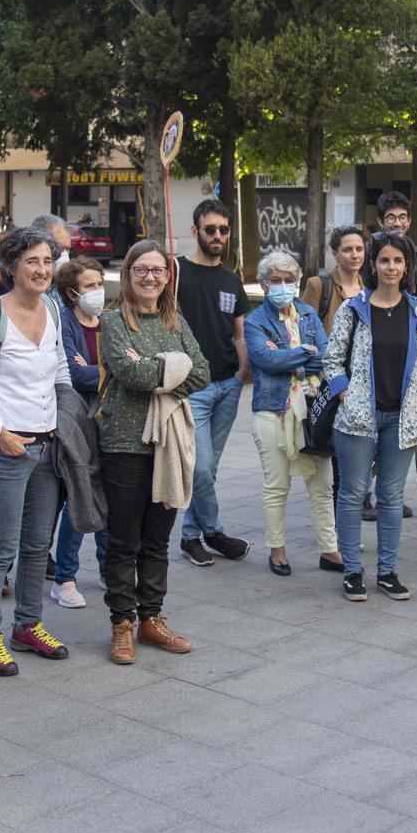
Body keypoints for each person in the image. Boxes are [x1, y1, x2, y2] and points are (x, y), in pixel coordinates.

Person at [0, 227, 73, 675]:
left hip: (48, 446)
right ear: (10, 267)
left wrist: (68, 418)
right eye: (32, 262)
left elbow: (60, 365)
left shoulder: (53, 310)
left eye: (47, 261)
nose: (42, 270)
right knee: (0, 548)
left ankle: (27, 626)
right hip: (7, 448)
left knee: (36, 544)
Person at [97, 240, 208, 663]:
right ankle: (121, 624)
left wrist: (154, 366)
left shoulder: (175, 320)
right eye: (141, 270)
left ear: (167, 276)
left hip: (170, 445)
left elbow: (202, 371)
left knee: (157, 541)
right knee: (124, 540)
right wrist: (169, 366)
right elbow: (128, 372)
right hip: (126, 444)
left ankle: (152, 619)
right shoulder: (113, 321)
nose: (150, 278)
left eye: (158, 270)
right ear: (128, 274)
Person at [325, 230, 417, 602]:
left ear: (407, 267)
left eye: (398, 260)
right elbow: (332, 358)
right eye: (385, 260)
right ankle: (353, 570)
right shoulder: (354, 308)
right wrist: (346, 394)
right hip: (358, 419)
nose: (391, 267)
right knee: (353, 493)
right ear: (373, 265)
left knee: (391, 495)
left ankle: (387, 571)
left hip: (401, 421)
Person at [245, 249, 344, 576]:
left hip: (313, 411)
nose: (283, 286)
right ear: (263, 283)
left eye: (290, 280)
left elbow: (326, 357)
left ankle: (330, 550)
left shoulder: (307, 313)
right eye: (276, 281)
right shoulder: (255, 321)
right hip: (272, 412)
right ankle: (277, 551)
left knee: (323, 485)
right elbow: (264, 360)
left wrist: (289, 355)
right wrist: (304, 352)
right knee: (277, 486)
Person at [174, 198, 252, 567]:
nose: (218, 235)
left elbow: (239, 333)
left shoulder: (231, 277)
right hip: (193, 389)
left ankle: (193, 535)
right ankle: (212, 530)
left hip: (228, 386)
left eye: (224, 229)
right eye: (210, 229)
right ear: (195, 232)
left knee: (208, 467)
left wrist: (240, 374)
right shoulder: (175, 273)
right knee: (200, 467)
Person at [49, 256, 109, 609]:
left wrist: (98, 369)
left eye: (100, 284)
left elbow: (124, 366)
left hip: (107, 420)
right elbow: (71, 374)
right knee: (79, 497)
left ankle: (106, 568)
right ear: (72, 292)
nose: (97, 292)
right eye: (90, 286)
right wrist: (109, 369)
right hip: (76, 422)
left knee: (107, 499)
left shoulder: (110, 322)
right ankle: (64, 578)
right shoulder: (65, 324)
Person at [376, 191, 417, 316]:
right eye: (391, 218)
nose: (398, 223)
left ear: (409, 221)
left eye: (402, 217)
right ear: (381, 222)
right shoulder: (369, 254)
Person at [301, 224, 366, 333]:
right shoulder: (318, 285)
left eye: (359, 249)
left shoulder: (369, 288)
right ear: (335, 254)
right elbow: (305, 330)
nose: (355, 255)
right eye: (347, 250)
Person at [0, 215, 72, 294]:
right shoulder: (14, 287)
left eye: (67, 249)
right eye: (59, 248)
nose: (64, 255)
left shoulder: (69, 283)